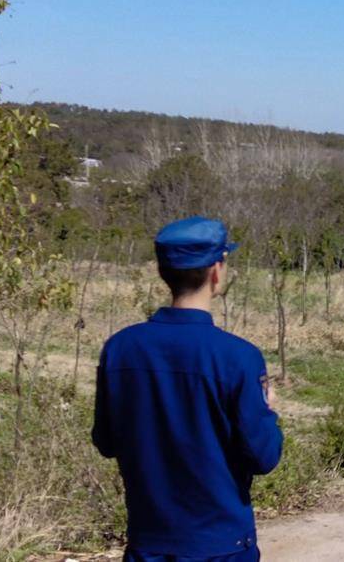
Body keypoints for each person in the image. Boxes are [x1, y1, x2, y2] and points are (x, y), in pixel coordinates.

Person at [93, 216, 282, 561]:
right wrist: (267, 411)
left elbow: (106, 442)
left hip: (148, 543)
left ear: (162, 271)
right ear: (216, 271)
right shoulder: (239, 357)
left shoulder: (120, 348)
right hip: (221, 547)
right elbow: (264, 457)